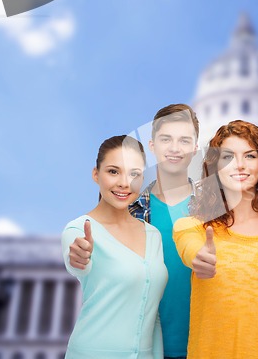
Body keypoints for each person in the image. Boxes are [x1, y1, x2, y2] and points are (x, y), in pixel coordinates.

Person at [173, 120, 258, 359]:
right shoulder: (192, 228)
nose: (240, 165)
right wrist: (200, 258)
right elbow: (192, 250)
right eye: (228, 157)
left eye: (250, 156)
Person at [62, 135, 168, 359]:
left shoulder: (153, 235)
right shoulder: (79, 229)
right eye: (113, 171)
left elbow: (152, 313)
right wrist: (78, 258)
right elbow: (76, 262)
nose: (124, 183)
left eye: (134, 174)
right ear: (95, 174)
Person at [129, 104, 199, 359]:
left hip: (205, 346)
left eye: (184, 140)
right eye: (166, 139)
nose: (174, 148)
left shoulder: (217, 209)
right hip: (145, 347)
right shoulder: (130, 209)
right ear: (152, 146)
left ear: (195, 148)